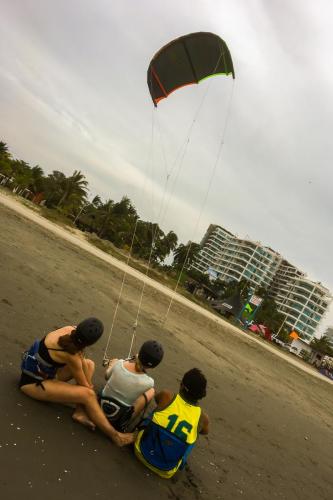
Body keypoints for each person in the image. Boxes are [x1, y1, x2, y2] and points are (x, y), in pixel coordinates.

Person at [20, 317, 133, 447]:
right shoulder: (70, 356)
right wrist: (91, 393)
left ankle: (79, 412)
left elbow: (82, 365)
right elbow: (85, 384)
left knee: (89, 364)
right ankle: (116, 436)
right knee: (88, 395)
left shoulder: (69, 330)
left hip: (45, 373)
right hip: (32, 384)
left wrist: (88, 386)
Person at [134, 368, 209, 478]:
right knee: (194, 434)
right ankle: (180, 460)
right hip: (167, 471)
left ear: (182, 386)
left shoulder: (167, 396)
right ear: (201, 395)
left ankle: (139, 431)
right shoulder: (203, 418)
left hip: (140, 451)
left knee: (157, 412)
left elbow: (157, 399)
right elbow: (205, 431)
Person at [100, 340, 164, 431]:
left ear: (140, 353)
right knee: (151, 391)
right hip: (118, 417)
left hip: (101, 406)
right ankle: (125, 423)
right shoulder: (149, 382)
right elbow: (139, 372)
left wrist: (112, 364)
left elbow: (107, 376)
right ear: (153, 366)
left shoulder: (120, 363)